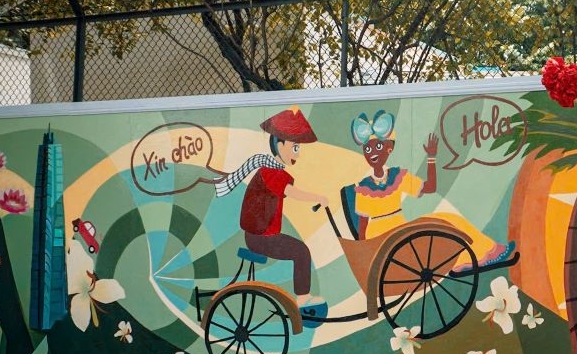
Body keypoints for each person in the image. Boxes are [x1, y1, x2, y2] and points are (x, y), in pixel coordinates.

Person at [348, 110, 513, 271]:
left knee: (447, 219)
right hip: (380, 238)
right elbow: (362, 224)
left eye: (378, 146)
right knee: (438, 226)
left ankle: (484, 253)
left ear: (389, 148)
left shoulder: (396, 176)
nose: (372, 153)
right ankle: (476, 256)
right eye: (367, 149)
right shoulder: (364, 187)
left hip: (401, 230)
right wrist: (365, 253)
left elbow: (430, 187)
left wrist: (431, 158)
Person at [215, 108, 328, 306]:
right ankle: (303, 299)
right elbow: (291, 191)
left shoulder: (271, 169)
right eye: (295, 147)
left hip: (260, 236)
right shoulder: (271, 172)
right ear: (280, 145)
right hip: (261, 239)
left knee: (299, 250)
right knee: (301, 252)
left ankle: (303, 298)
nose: (298, 154)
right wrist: (318, 197)